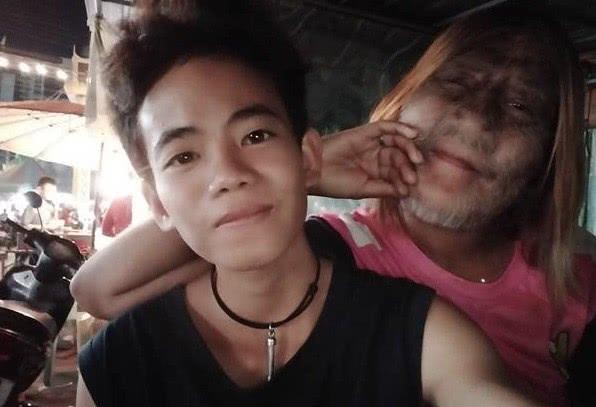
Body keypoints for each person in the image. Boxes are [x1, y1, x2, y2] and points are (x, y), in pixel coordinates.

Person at [74, 2, 538, 406]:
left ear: (307, 155)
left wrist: (302, 172)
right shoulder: (119, 362)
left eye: (256, 135)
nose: (229, 174)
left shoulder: (423, 335)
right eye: (184, 157)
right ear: (157, 201)